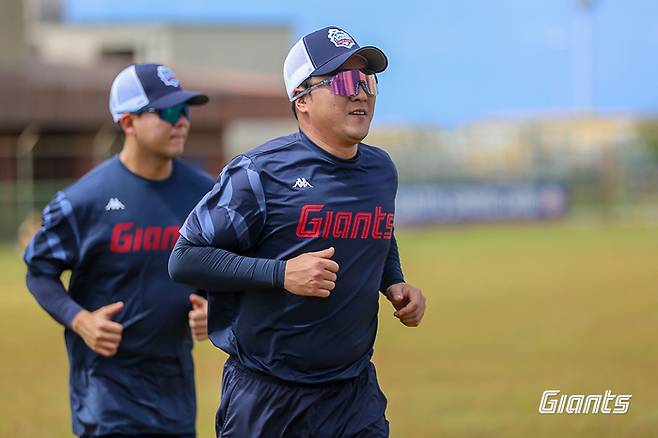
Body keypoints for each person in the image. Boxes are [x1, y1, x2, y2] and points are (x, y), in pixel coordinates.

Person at [169, 26, 426, 437]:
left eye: (367, 81)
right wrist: (281, 274)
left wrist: (393, 282)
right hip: (268, 394)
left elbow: (377, 229)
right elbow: (185, 258)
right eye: (343, 80)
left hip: (353, 394)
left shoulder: (380, 170)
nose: (360, 93)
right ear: (301, 98)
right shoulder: (258, 172)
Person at [24, 63, 215, 438]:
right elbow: (38, 271)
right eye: (169, 112)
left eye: (186, 110)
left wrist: (217, 307)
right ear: (128, 122)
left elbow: (221, 265)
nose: (182, 122)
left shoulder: (205, 193)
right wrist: (80, 321)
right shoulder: (83, 201)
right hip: (106, 387)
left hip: (175, 386)